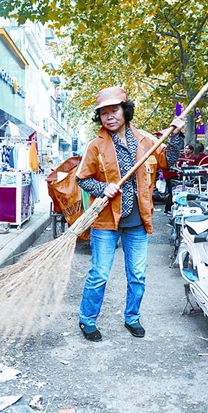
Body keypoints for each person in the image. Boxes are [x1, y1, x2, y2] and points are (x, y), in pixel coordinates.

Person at [76, 86, 185, 341]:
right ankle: (87, 320)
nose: (109, 117)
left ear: (125, 111)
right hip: (105, 221)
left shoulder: (146, 141)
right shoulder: (96, 146)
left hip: (137, 221)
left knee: (137, 275)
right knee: (99, 274)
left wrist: (176, 135)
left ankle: (132, 317)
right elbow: (82, 178)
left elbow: (168, 160)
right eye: (103, 113)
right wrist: (104, 187)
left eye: (114, 110)